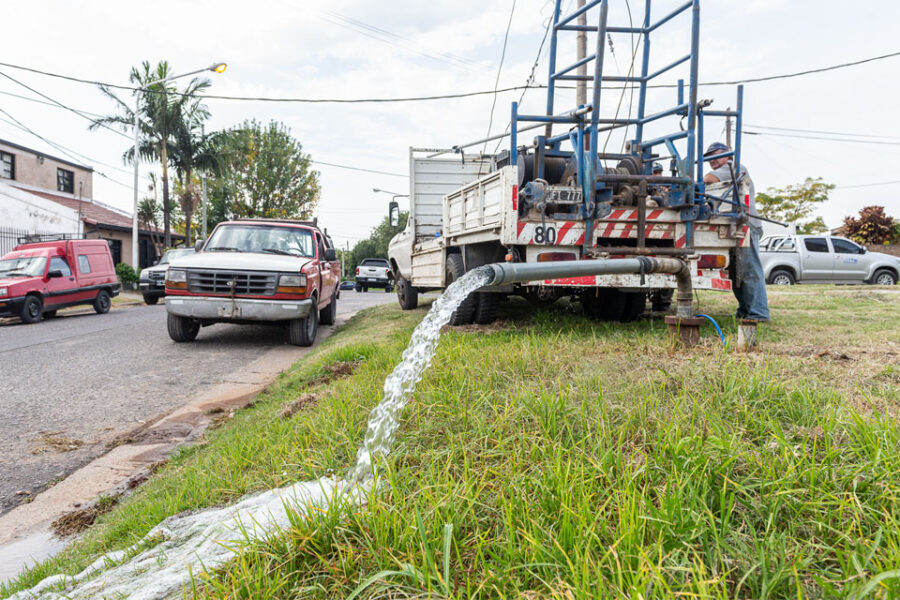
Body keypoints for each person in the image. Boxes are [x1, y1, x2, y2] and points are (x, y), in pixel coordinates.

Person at [703, 142, 770, 321]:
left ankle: (759, 313)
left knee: (749, 269)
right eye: (708, 157)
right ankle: (746, 311)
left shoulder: (734, 167)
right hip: (736, 224)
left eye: (715, 155)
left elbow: (709, 179)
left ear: (727, 154)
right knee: (737, 272)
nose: (712, 160)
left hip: (747, 224)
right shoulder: (726, 171)